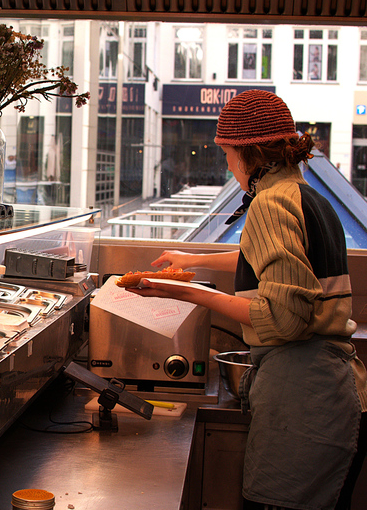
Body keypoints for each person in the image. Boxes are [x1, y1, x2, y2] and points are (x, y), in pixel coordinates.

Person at [128, 90, 367, 510]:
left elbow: (284, 316)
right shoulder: (307, 197)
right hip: (333, 387)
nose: (226, 164)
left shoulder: (270, 204)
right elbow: (271, 262)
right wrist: (192, 260)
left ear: (249, 153)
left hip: (304, 396)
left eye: (227, 153)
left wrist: (183, 291)